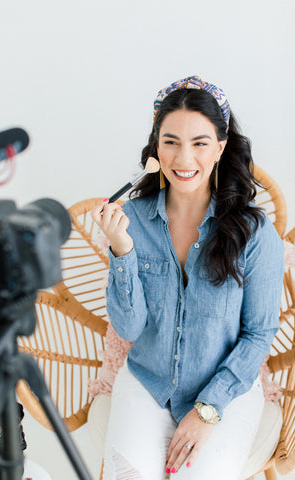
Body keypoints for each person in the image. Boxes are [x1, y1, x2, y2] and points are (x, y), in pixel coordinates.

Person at [91, 75, 284, 480]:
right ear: (156, 146)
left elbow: (259, 334)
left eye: (199, 143)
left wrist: (207, 409)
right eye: (171, 142)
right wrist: (122, 251)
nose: (183, 159)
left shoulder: (255, 233)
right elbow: (129, 327)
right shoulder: (133, 220)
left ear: (220, 147)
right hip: (147, 381)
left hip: (225, 391)